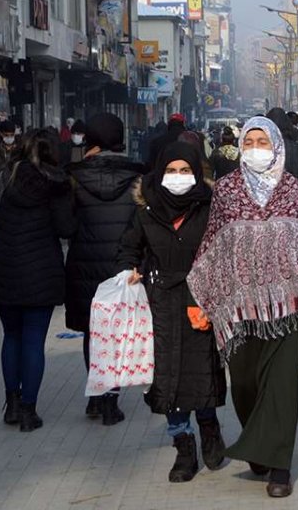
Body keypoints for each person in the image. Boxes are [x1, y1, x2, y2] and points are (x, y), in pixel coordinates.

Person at [187, 116, 298, 499]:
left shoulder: (297, 192)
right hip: (240, 308)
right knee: (245, 384)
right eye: (249, 142)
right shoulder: (226, 190)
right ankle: (259, 444)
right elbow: (212, 243)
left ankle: (280, 468)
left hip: (289, 306)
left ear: (276, 145)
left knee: (282, 385)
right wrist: (201, 300)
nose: (256, 149)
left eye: (263, 142)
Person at [117, 142, 227, 482]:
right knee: (166, 378)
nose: (178, 177)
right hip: (160, 303)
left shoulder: (211, 206)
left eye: (185, 171)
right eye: (171, 171)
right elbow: (128, 248)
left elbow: (223, 252)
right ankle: (183, 445)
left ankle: (209, 427)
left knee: (201, 372)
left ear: (196, 173)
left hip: (200, 300)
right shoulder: (145, 209)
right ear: (159, 173)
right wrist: (128, 270)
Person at [0, 129, 75, 431]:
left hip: (5, 268)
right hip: (42, 271)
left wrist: (2, 224)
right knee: (34, 341)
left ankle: (12, 404)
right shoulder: (57, 184)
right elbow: (66, 228)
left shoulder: (1, 179)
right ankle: (29, 410)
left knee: (11, 336)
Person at [64, 113, 147, 425]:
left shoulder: (74, 176)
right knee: (118, 333)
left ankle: (97, 395)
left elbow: (66, 224)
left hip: (84, 266)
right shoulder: (137, 177)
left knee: (92, 332)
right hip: (123, 266)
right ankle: (110, 401)